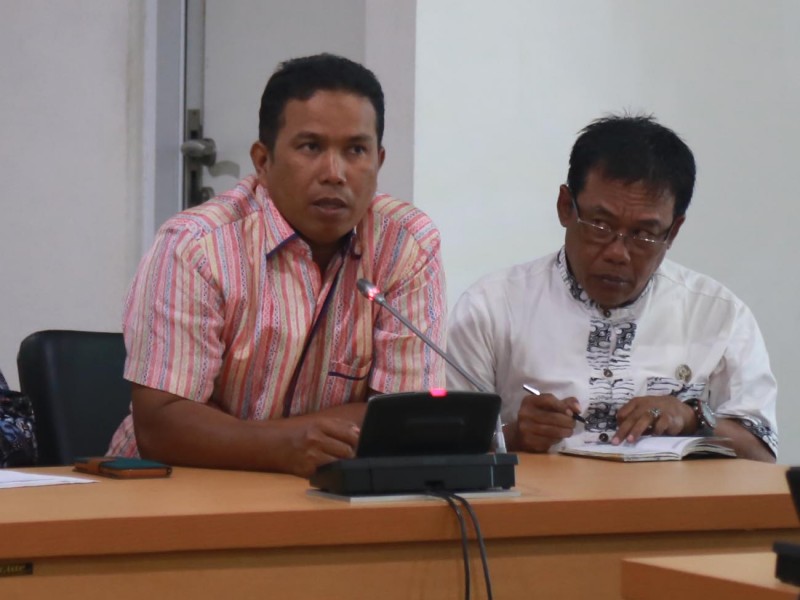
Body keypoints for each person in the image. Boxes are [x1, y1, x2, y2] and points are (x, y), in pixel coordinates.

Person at [108, 54, 446, 476]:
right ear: (263, 161)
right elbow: (161, 425)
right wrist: (283, 446)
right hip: (176, 487)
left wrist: (283, 442)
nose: (335, 173)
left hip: (330, 490)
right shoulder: (195, 247)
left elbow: (406, 415)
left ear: (378, 161)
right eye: (311, 147)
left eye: (356, 150)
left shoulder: (407, 245)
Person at [447, 115, 777, 462]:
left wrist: (691, 416)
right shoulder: (491, 308)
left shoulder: (719, 315)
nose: (618, 253)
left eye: (644, 235)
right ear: (565, 207)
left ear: (673, 232)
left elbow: (762, 457)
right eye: (600, 225)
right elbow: (444, 453)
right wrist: (513, 436)